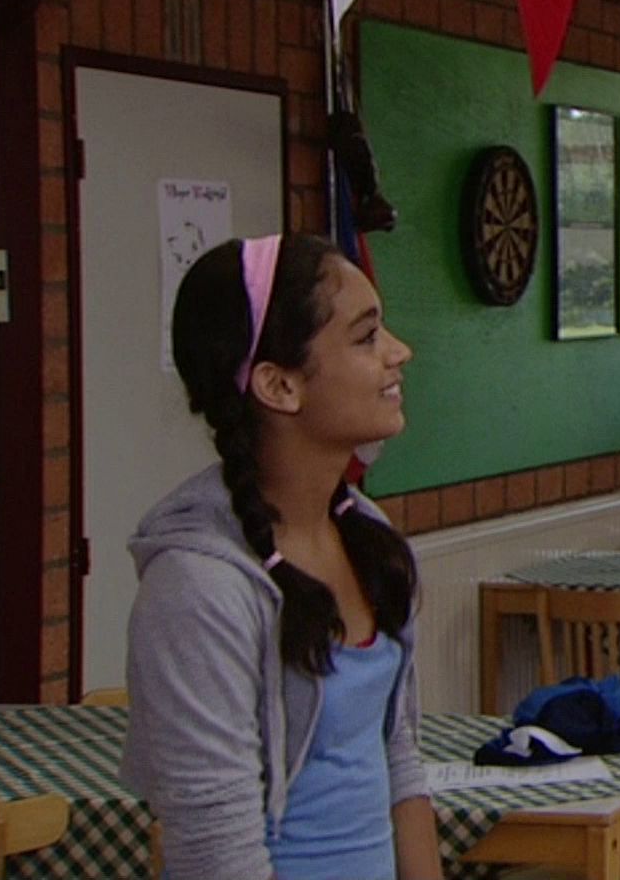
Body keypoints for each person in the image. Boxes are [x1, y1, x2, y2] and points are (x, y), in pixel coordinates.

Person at [120, 234, 443, 880]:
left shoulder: (368, 536)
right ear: (279, 385)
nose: (399, 351)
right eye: (366, 336)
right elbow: (217, 855)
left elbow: (398, 758)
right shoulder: (198, 587)